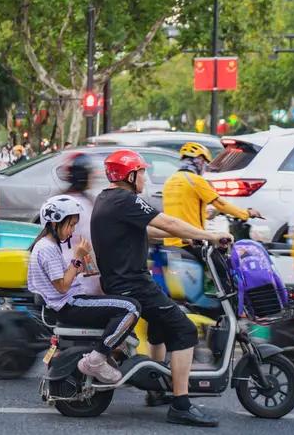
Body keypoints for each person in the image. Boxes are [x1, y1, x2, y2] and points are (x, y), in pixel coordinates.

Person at [90, 149, 232, 427]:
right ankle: (181, 404)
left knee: (162, 325)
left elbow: (150, 230)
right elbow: (165, 221)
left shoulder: (107, 199)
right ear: (130, 175)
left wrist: (187, 236)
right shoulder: (125, 200)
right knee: (185, 330)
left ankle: (156, 390)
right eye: (142, 172)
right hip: (133, 285)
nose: (145, 177)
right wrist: (209, 235)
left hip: (122, 282)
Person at [28, 195, 139, 384]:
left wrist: (78, 265)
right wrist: (77, 257)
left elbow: (66, 278)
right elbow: (62, 287)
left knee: (121, 307)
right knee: (131, 308)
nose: (72, 231)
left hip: (67, 303)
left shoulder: (47, 246)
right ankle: (97, 359)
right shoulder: (47, 248)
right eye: (70, 225)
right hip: (70, 304)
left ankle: (114, 353)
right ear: (54, 223)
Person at [162, 142, 261, 250]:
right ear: (199, 160)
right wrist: (246, 213)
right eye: (205, 163)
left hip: (170, 242)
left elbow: (184, 210)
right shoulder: (195, 180)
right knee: (221, 265)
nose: (205, 167)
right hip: (190, 241)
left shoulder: (170, 180)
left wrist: (210, 213)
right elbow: (220, 204)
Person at [59, 152, 101, 295]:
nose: (94, 176)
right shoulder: (79, 204)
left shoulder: (64, 198)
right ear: (82, 176)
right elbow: (90, 241)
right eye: (91, 173)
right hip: (77, 278)